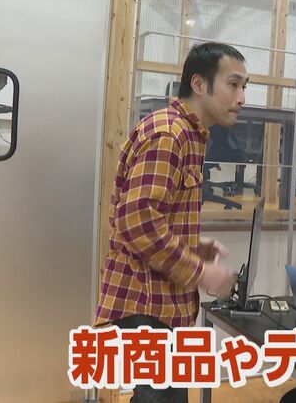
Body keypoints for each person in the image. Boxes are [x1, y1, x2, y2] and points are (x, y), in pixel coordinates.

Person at [94, 42, 249, 402]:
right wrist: (202, 272)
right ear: (199, 84)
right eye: (233, 84)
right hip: (145, 302)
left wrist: (194, 246)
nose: (241, 97)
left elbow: (153, 216)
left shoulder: (189, 134)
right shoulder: (169, 134)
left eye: (244, 86)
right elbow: (137, 222)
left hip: (160, 304)